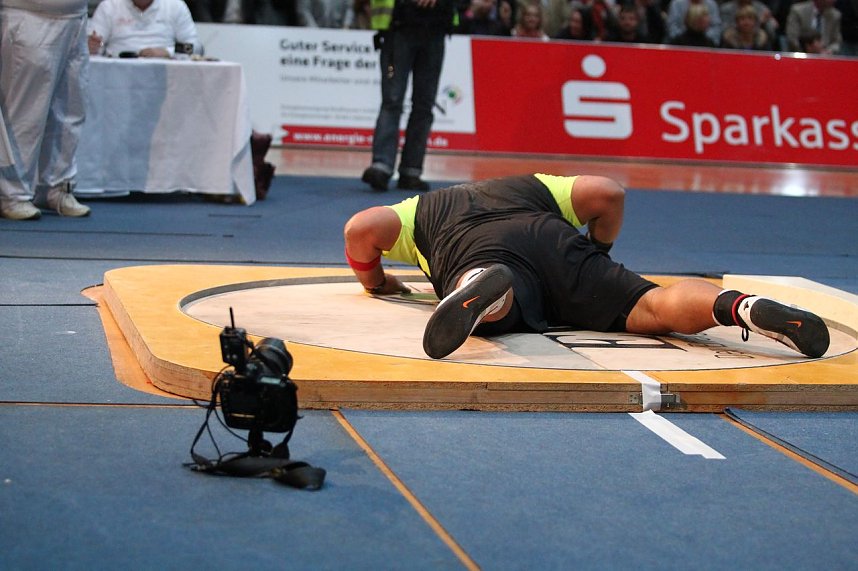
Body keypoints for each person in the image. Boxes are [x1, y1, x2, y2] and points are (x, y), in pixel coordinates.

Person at [343, 174, 830, 360]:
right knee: (652, 304)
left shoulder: (416, 212)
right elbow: (608, 192)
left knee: (496, 288)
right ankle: (743, 308)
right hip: (553, 237)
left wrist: (378, 281)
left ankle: (481, 288)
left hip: (477, 249)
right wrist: (597, 250)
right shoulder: (529, 183)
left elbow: (360, 229)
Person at [0, 0, 92, 220]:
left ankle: (57, 186)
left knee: (70, 109)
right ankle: (11, 194)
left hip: (75, 17)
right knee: (24, 112)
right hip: (29, 16)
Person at [360, 0, 456, 192]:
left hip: (435, 26)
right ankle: (382, 166)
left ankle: (411, 170)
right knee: (393, 101)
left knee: (424, 104)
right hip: (399, 25)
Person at [88, 0, 200, 58]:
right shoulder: (109, 6)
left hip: (164, 73)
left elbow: (195, 47)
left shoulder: (176, 6)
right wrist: (94, 46)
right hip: (116, 73)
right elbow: (95, 45)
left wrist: (168, 52)